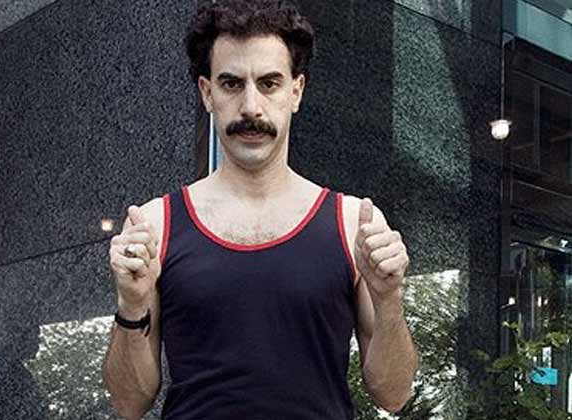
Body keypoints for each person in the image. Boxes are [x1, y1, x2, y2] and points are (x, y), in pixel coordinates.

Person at [102, 1, 418, 419]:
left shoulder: (353, 223)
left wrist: (389, 299)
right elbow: (129, 404)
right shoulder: (156, 225)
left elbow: (393, 394)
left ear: (295, 92)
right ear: (207, 93)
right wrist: (131, 304)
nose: (251, 106)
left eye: (269, 83)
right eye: (231, 84)